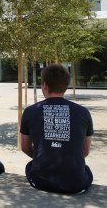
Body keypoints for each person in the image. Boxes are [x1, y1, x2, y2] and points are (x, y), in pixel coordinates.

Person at [20, 64, 93, 194]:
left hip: (41, 181)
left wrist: (43, 157)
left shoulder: (30, 111)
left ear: (44, 85)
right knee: (85, 169)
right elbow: (85, 151)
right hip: (76, 183)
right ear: (66, 86)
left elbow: (25, 147)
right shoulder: (83, 112)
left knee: (30, 166)